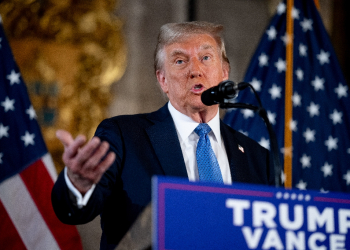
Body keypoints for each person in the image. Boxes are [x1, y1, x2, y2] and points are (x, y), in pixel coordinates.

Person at [51, 21, 275, 249]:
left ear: (224, 73)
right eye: (180, 61)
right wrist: (77, 185)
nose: (195, 70)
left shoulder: (259, 159)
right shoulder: (123, 136)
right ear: (163, 80)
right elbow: (76, 212)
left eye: (206, 58)